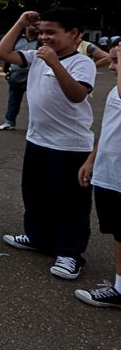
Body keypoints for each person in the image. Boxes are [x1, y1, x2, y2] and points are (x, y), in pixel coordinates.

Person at [0, 7, 97, 280]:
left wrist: (55, 63)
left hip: (70, 147)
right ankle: (37, 237)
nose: (44, 38)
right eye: (41, 32)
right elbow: (2, 54)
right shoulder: (36, 56)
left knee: (70, 204)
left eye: (51, 32)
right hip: (37, 140)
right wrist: (19, 22)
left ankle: (70, 254)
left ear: (74, 33)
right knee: (35, 195)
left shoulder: (81, 62)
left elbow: (77, 95)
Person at [75, 45, 121, 308]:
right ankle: (119, 286)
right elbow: (109, 128)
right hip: (109, 172)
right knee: (119, 232)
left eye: (116, 61)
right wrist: (92, 159)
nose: (112, 66)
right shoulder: (115, 89)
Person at [0, 24, 39, 131]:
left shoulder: (41, 41)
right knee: (13, 100)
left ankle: (37, 125)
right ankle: (9, 122)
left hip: (33, 77)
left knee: (36, 102)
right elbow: (4, 54)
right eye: (33, 25)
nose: (36, 27)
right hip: (15, 75)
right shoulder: (17, 39)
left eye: (38, 25)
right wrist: (5, 69)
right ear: (26, 26)